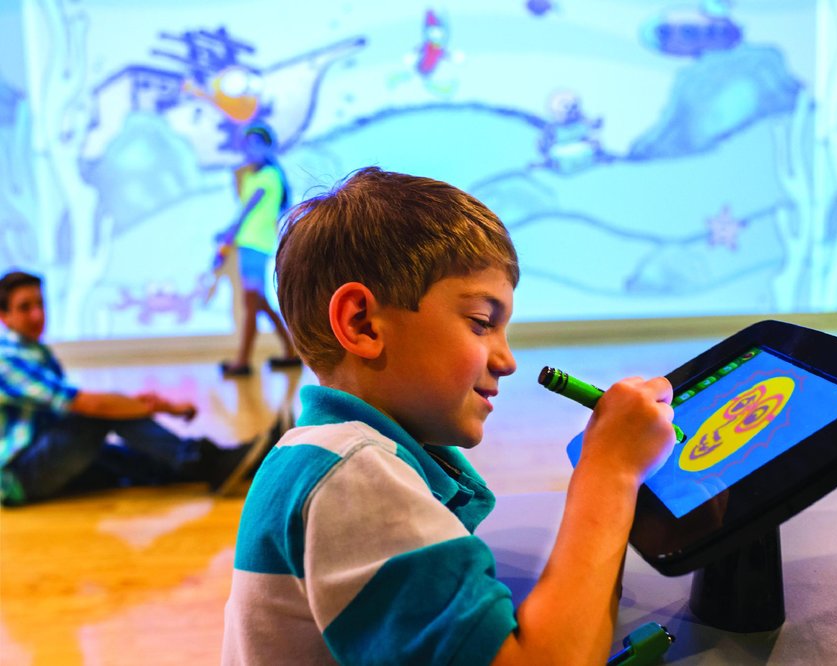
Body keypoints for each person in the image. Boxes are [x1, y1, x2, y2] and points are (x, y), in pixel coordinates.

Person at [223, 167, 677, 665]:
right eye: (482, 323)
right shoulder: (351, 473)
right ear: (362, 323)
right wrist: (610, 471)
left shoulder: (325, 456)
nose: (506, 360)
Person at [0, 271, 259, 506]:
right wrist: (165, 408)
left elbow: (74, 409)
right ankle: (208, 462)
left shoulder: (33, 352)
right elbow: (91, 406)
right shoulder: (7, 359)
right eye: (25, 308)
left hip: (38, 459)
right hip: (21, 478)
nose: (37, 315)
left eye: (40, 304)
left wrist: (139, 405)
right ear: (4, 316)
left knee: (143, 463)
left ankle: (245, 466)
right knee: (101, 414)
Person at [216, 121, 299, 378]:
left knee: (252, 303)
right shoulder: (254, 174)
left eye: (255, 144)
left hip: (255, 243)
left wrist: (230, 232)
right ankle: (290, 350)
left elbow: (248, 209)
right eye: (247, 145)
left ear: (268, 147)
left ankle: (243, 361)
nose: (250, 150)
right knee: (256, 302)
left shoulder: (269, 176)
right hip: (250, 243)